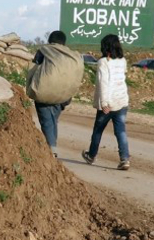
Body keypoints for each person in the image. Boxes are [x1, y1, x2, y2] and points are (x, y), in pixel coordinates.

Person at [82, 34, 130, 170]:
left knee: (98, 130)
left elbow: (104, 83)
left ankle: (91, 156)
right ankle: (125, 159)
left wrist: (104, 103)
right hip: (122, 101)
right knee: (120, 131)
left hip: (109, 102)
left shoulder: (103, 62)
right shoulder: (123, 60)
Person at [32, 30, 76, 157]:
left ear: (50, 41)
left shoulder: (44, 51)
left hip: (45, 93)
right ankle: (52, 147)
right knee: (53, 121)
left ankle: (52, 150)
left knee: (47, 121)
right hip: (63, 95)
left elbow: (34, 67)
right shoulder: (70, 54)